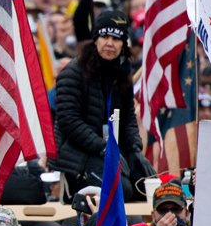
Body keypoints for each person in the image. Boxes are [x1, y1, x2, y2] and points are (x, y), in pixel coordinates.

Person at [50, 10, 145, 197]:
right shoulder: (73, 72)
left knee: (142, 186)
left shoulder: (122, 73)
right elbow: (69, 122)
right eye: (105, 36)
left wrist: (135, 147)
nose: (110, 43)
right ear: (95, 39)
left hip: (110, 152)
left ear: (123, 44)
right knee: (122, 192)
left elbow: (128, 119)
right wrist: (103, 148)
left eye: (116, 39)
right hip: (79, 156)